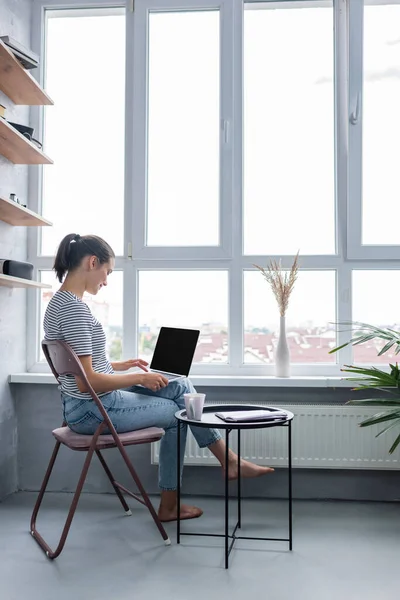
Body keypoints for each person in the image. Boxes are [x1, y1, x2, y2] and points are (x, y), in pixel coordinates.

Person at [44, 233, 274, 522]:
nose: (106, 281)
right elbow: (85, 380)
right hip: (94, 410)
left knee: (180, 386)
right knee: (180, 413)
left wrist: (119, 365)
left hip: (84, 406)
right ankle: (173, 502)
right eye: (108, 272)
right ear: (93, 262)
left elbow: (80, 367)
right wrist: (138, 379)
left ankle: (228, 462)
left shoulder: (58, 304)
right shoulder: (75, 310)